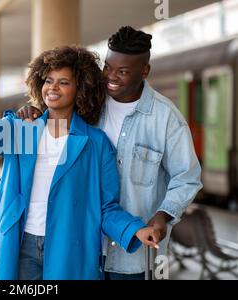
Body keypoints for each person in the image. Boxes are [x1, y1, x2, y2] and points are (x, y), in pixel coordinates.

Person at [0, 45, 160, 280]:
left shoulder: (96, 143)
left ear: (80, 89)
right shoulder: (22, 129)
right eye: (49, 80)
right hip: (20, 243)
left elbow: (106, 207)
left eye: (64, 82)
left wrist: (135, 229)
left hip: (69, 248)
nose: (53, 88)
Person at [17, 26, 203, 280]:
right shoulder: (86, 101)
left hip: (132, 255)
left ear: (144, 70)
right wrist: (34, 111)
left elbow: (187, 177)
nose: (111, 77)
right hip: (81, 247)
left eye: (123, 71)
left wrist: (163, 215)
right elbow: (54, 113)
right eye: (108, 67)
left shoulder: (166, 119)